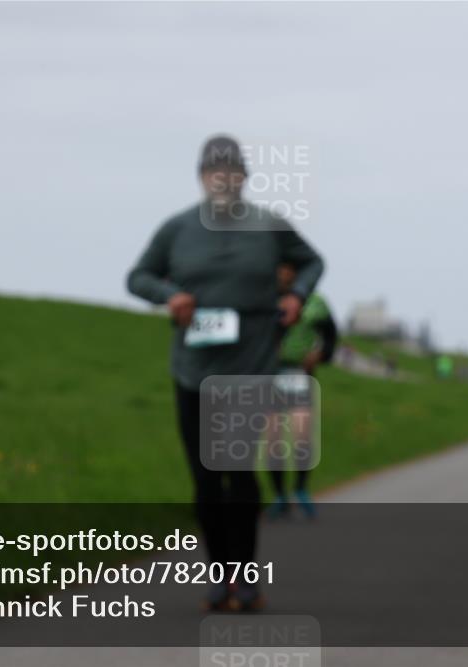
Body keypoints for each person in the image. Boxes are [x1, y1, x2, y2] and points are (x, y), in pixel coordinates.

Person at [127, 135, 324, 611]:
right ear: (201, 177)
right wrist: (168, 298)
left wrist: (296, 296)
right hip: (193, 369)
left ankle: (246, 578)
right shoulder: (176, 229)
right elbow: (137, 277)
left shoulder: (270, 226)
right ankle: (219, 576)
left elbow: (312, 261)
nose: (223, 179)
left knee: (234, 467)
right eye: (214, 171)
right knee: (205, 479)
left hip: (250, 366)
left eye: (232, 171)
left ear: (244, 177)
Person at [267, 264, 337, 520]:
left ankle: (300, 489)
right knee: (273, 438)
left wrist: (320, 354)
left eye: (288, 268)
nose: (283, 273)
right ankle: (279, 496)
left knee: (301, 433)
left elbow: (331, 335)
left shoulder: (316, 303)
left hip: (300, 375)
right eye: (280, 268)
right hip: (271, 375)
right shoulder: (266, 298)